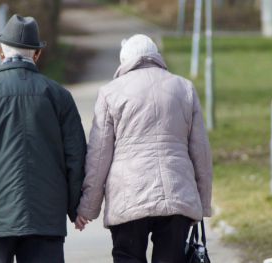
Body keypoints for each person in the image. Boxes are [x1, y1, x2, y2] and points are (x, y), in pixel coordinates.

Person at [0, 14, 87, 263]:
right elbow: (76, 155)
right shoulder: (59, 96)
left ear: (0, 53)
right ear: (36, 54)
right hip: (47, 218)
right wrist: (75, 206)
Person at [75, 34, 213, 263]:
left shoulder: (110, 93)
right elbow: (201, 152)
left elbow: (98, 157)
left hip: (128, 198)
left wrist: (87, 208)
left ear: (124, 60)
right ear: (155, 56)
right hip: (176, 197)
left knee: (127, 257)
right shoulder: (184, 88)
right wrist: (202, 204)